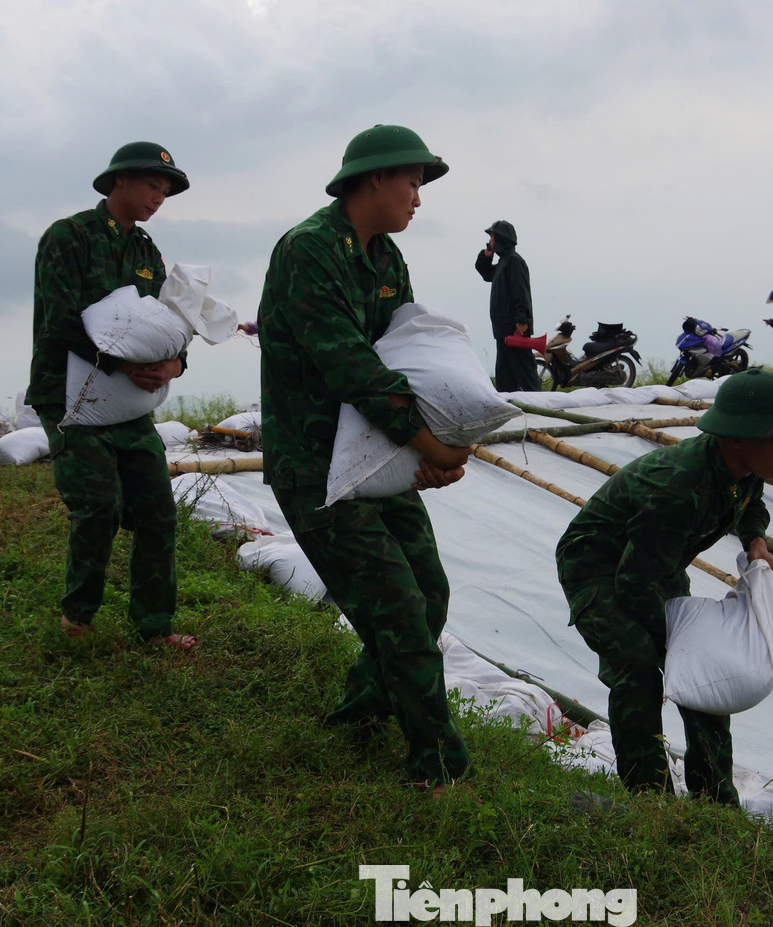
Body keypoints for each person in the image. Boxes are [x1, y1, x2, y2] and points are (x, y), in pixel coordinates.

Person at [257, 124, 473, 790]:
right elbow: (351, 365)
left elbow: (407, 355)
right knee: (396, 608)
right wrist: (429, 444)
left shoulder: (385, 260)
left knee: (428, 592)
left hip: (376, 457)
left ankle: (357, 713)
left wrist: (438, 446)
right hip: (317, 468)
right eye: (412, 181)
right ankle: (438, 765)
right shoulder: (308, 251)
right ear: (374, 178)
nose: (418, 197)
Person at [555, 368, 773, 804]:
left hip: (654, 567)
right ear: (737, 438)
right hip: (599, 570)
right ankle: (651, 801)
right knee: (639, 670)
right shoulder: (677, 488)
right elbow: (632, 582)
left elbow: (753, 504)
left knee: (705, 678)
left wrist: (754, 540)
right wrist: (684, 645)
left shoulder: (742, 467)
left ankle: (715, 801)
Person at [28, 141, 197, 651]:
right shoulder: (69, 237)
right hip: (70, 395)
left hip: (127, 402)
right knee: (96, 507)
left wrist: (176, 362)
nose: (159, 197)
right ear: (118, 180)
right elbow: (60, 321)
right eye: (152, 184)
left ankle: (154, 625)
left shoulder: (147, 252)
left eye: (165, 190)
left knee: (157, 513)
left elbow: (168, 323)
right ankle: (77, 617)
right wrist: (125, 362)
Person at [474, 220, 538, 392]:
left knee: (525, 372)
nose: (490, 240)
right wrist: (486, 255)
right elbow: (486, 274)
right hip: (503, 329)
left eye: (492, 237)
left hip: (515, 329)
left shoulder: (514, 261)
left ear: (500, 238)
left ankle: (540, 405)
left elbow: (521, 292)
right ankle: (507, 404)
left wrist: (521, 320)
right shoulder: (503, 262)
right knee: (504, 374)